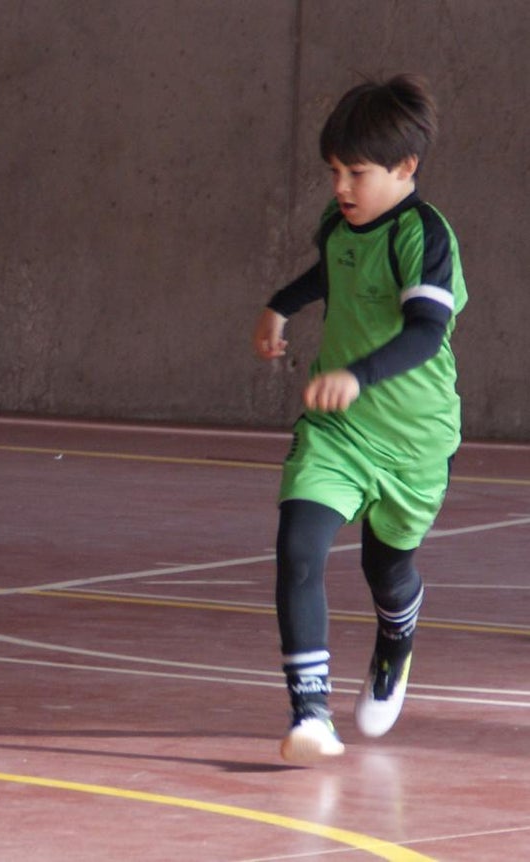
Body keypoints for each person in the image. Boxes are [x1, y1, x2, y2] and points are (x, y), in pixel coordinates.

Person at [251, 74, 466, 765]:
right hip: (337, 432)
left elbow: (427, 329)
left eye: (358, 172)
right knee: (299, 548)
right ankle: (309, 713)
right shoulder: (339, 226)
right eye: (334, 171)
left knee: (387, 571)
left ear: (406, 168)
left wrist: (360, 373)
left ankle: (397, 635)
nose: (342, 185)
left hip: (414, 442)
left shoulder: (423, 234)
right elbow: (331, 273)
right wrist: (280, 305)